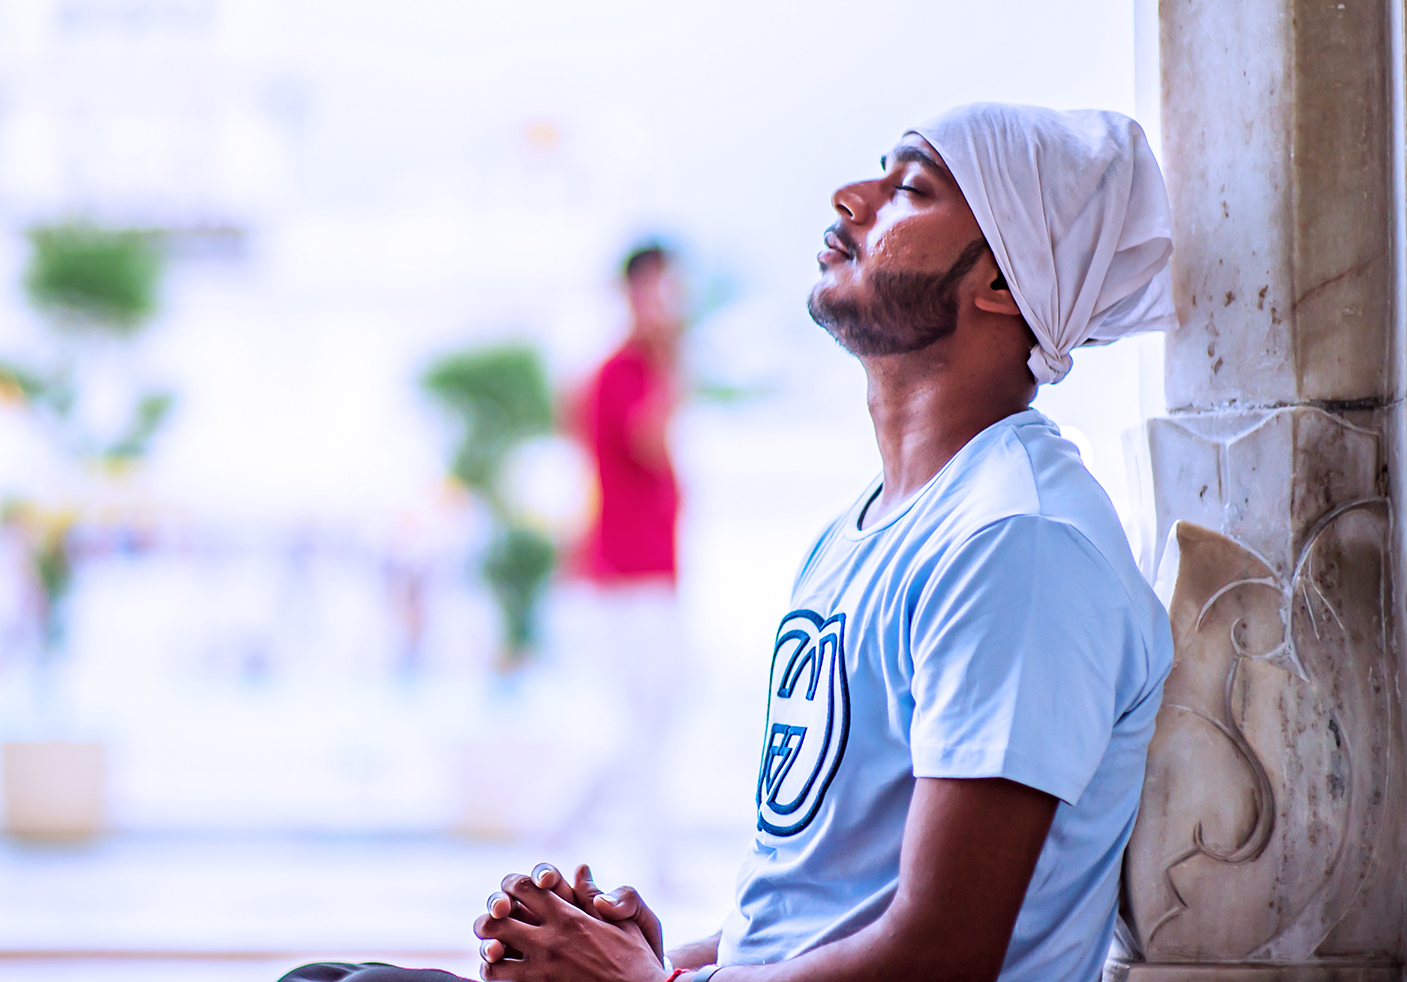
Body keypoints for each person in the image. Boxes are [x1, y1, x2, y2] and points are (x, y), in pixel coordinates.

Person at [280, 102, 1176, 982]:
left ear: (1003, 285)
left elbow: (942, 954)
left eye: (911, 190)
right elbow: (815, 907)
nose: (851, 197)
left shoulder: (1017, 545)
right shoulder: (866, 529)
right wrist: (642, 957)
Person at [553, 243, 684, 854]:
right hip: (625, 575)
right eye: (659, 289)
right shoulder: (620, 373)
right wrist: (673, 364)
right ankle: (568, 833)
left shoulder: (641, 369)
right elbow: (648, 442)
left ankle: (563, 833)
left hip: (649, 571)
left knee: (649, 724)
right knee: (637, 729)